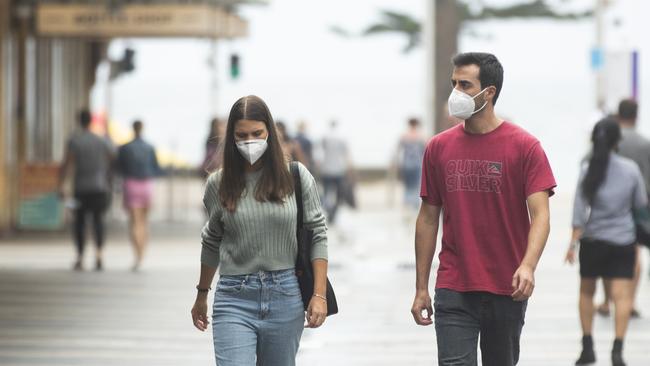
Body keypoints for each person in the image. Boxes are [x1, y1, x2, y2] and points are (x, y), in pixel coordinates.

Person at [410, 52, 556, 366]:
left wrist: (528, 265)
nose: (455, 93)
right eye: (454, 84)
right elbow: (427, 218)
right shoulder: (438, 147)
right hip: (453, 285)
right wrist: (421, 286)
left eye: (465, 84)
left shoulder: (525, 147)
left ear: (488, 92)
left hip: (507, 287)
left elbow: (541, 215)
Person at [190, 95, 329, 366]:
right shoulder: (218, 184)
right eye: (241, 135)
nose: (249, 141)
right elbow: (211, 241)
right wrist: (201, 295)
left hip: (286, 295)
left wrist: (319, 295)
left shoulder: (296, 177)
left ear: (270, 133)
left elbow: (318, 234)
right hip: (233, 297)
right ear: (231, 137)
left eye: (257, 133)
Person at [565, 118, 644, 366]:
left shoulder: (588, 169)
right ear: (616, 141)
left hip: (593, 240)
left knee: (587, 292)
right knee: (622, 297)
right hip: (622, 241)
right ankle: (617, 351)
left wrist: (572, 244)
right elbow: (640, 203)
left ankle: (587, 347)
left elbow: (579, 210)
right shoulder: (630, 169)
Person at [596, 99, 646, 319]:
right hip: (636, 207)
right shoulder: (645, 143)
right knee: (634, 255)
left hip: (607, 204)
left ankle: (607, 302)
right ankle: (630, 301)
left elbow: (589, 164)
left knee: (608, 254)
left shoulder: (610, 138)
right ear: (636, 115)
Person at [58, 109, 114, 271]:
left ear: (79, 121)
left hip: (81, 188)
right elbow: (112, 158)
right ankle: (99, 254)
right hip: (100, 187)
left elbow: (67, 164)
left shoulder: (74, 141)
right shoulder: (101, 140)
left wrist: (61, 184)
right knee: (98, 221)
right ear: (91, 121)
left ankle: (81, 257)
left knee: (80, 223)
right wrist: (107, 176)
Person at [117, 120, 163, 271]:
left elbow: (118, 168)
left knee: (134, 223)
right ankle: (142, 254)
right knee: (144, 222)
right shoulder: (150, 147)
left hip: (131, 184)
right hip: (147, 185)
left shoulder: (124, 148)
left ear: (133, 129)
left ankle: (137, 256)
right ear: (142, 129)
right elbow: (156, 168)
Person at [320, 120, 351, 224]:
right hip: (339, 170)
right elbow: (346, 154)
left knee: (327, 192)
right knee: (339, 195)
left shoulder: (325, 137)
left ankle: (329, 210)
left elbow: (320, 152)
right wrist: (349, 169)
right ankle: (334, 211)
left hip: (326, 169)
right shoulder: (341, 137)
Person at [396, 118, 427, 210]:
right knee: (415, 184)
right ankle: (413, 203)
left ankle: (408, 203)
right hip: (416, 164)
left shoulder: (404, 136)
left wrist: (398, 164)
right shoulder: (420, 137)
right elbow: (424, 151)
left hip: (407, 164)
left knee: (408, 185)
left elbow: (398, 150)